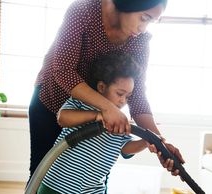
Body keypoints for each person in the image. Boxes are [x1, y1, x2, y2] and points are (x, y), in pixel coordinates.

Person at [28, 0, 185, 185]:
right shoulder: (83, 12)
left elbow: (138, 94)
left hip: (101, 114)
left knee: (93, 174)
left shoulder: (140, 41)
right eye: (144, 18)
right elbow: (63, 71)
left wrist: (160, 142)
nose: (143, 28)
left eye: (150, 22)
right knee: (42, 174)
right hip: (52, 100)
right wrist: (107, 109)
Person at [37, 52, 161, 193]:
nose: (123, 101)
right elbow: (63, 118)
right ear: (102, 87)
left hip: (92, 190)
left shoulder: (120, 120)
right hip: (57, 185)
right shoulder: (82, 103)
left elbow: (125, 148)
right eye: (120, 94)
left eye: (128, 97)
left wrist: (146, 141)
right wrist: (97, 115)